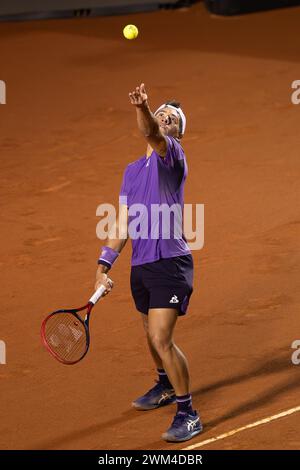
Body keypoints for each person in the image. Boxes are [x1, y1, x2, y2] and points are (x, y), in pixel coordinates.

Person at [95, 83, 202, 442]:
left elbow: (152, 133)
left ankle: (188, 413)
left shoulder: (172, 155)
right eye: (162, 114)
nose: (164, 120)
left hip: (171, 263)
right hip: (142, 265)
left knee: (161, 337)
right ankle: (164, 385)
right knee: (148, 333)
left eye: (172, 120)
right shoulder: (130, 171)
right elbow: (123, 222)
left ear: (177, 133)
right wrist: (104, 264)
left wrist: (143, 108)